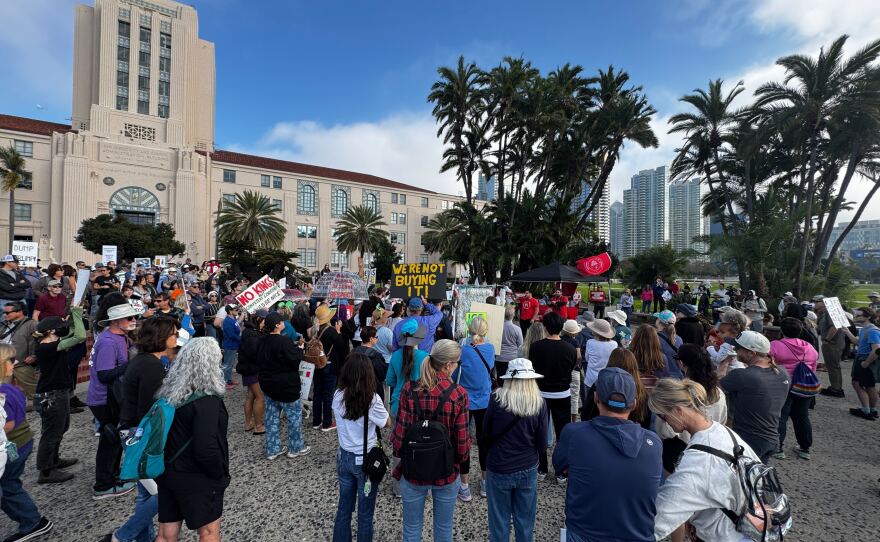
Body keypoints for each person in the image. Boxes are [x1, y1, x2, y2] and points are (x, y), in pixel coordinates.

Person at [554, 368, 662, 542]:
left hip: (584, 532)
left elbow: (561, 467)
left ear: (596, 398)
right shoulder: (654, 443)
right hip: (637, 536)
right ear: (634, 404)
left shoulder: (574, 434)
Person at [651, 378, 763, 542]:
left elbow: (661, 516)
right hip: (748, 529)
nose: (663, 422)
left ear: (677, 410)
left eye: (662, 416)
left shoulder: (698, 462)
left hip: (723, 536)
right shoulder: (723, 431)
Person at [106, 317, 179, 542]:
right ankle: (122, 535)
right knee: (165, 492)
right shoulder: (150, 365)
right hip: (140, 435)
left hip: (132, 431)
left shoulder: (146, 361)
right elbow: (150, 411)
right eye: (173, 333)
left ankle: (143, 538)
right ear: (162, 337)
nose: (177, 337)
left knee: (145, 493)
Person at [390, 340, 470, 542]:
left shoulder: (409, 390)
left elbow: (399, 440)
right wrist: (458, 464)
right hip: (446, 470)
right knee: (443, 528)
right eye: (457, 363)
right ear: (447, 365)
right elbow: (462, 444)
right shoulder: (458, 394)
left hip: (414, 470)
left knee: (411, 528)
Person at [154, 338, 230, 542]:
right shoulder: (206, 399)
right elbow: (205, 446)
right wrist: (218, 473)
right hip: (196, 475)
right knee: (208, 532)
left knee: (165, 533)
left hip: (168, 469)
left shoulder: (170, 392)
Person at [483, 358, 548, 542]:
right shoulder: (539, 403)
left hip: (498, 466)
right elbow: (542, 445)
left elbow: (485, 434)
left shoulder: (496, 399)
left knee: (499, 522)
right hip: (527, 467)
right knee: (525, 522)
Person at [331, 354, 391, 542]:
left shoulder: (337, 394)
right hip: (364, 460)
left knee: (344, 509)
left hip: (343, 456)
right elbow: (386, 423)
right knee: (365, 515)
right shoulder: (371, 399)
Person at [0, 344, 54, 541]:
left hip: (14, 445)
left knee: (8, 485)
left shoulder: (3, 393)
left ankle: (31, 521)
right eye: (10, 360)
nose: (13, 363)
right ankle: (31, 520)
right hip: (21, 443)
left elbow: (9, 424)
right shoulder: (10, 388)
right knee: (9, 483)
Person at [88, 302, 140, 499]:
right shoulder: (108, 342)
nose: (134, 320)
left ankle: (112, 474)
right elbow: (104, 374)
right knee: (110, 440)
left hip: (112, 396)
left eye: (134, 317)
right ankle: (103, 484)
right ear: (116, 321)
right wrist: (131, 364)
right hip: (104, 398)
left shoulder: (119, 337)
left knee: (116, 438)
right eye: (129, 318)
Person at [32, 305, 86, 484]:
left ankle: (53, 460)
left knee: (60, 428)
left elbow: (72, 334)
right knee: (51, 433)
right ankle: (46, 471)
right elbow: (79, 336)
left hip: (57, 393)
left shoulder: (52, 343)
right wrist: (76, 316)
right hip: (51, 395)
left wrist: (73, 315)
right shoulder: (47, 347)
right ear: (51, 331)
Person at [655, 345, 727, 474]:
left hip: (678, 448)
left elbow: (666, 431)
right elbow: (722, 420)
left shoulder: (680, 394)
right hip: (708, 446)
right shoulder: (719, 393)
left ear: (682, 363)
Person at [720, 331, 790, 462]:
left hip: (749, 439)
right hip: (772, 437)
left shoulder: (743, 375)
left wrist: (724, 364)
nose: (734, 349)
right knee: (756, 479)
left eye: (738, 348)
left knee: (740, 480)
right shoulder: (783, 373)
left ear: (751, 353)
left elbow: (715, 388)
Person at [527, 312, 577, 481]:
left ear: (546, 328)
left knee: (539, 429)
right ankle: (561, 470)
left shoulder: (536, 347)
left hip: (541, 392)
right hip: (562, 393)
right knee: (562, 433)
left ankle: (541, 468)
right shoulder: (570, 349)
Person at [257, 312, 310, 459]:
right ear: (276, 325)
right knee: (293, 418)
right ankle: (296, 447)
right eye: (281, 322)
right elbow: (294, 359)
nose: (284, 324)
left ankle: (273, 449)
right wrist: (299, 349)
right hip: (287, 386)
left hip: (268, 386)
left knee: (271, 418)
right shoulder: (283, 341)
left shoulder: (262, 341)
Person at [455, 316, 495, 500]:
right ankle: (485, 482)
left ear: (469, 330)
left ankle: (464, 485)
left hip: (465, 400)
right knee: (484, 440)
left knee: (463, 441)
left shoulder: (463, 350)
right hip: (484, 399)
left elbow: (455, 372)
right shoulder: (490, 349)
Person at [770, 317, 818, 460]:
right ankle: (805, 447)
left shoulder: (775, 345)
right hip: (804, 386)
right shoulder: (809, 347)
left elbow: (769, 364)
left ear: (782, 330)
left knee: (780, 416)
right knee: (802, 417)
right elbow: (813, 367)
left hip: (783, 384)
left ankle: (778, 447)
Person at [841, 307, 880, 420]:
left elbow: (876, 349)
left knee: (860, 384)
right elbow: (858, 342)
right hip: (862, 359)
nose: (856, 317)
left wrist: (866, 363)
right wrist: (847, 332)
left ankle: (867, 410)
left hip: (866, 360)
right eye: (856, 315)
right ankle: (871, 410)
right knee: (868, 386)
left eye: (859, 316)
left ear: (868, 317)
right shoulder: (864, 329)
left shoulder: (872, 330)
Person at [314, 305, 349, 431]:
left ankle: (316, 421)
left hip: (317, 364)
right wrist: (338, 331)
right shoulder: (331, 330)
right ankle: (327, 422)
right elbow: (340, 346)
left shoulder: (315, 329)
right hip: (329, 365)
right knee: (328, 394)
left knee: (317, 393)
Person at [2, 301, 38, 410]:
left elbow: (38, 341)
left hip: (22, 362)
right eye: (4, 313)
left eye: (8, 313)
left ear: (20, 312)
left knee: (31, 387)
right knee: (2, 389)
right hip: (4, 362)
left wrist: (34, 355)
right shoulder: (3, 324)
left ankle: (34, 404)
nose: (5, 315)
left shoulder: (31, 324)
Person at [237, 310, 266, 434]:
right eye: (265, 320)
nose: (266, 322)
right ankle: (258, 426)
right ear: (259, 319)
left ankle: (248, 423)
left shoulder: (249, 331)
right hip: (252, 369)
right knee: (260, 397)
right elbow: (254, 353)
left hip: (247, 368)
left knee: (251, 396)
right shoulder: (251, 333)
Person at [353, 326, 388, 400]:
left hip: (355, 389)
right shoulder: (376, 355)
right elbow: (381, 375)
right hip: (372, 390)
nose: (377, 339)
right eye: (376, 337)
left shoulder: (353, 352)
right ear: (371, 339)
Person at [629, 325, 668, 392]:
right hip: (653, 397)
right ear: (655, 339)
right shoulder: (662, 358)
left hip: (634, 394)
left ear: (636, 338)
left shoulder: (629, 355)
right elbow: (664, 380)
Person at [654, 310, 684, 378]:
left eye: (657, 318)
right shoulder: (679, 339)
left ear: (659, 322)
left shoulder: (655, 338)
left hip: (663, 377)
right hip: (678, 377)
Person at [0, 256, 29, 321]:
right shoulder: (0, 273)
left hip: (21, 300)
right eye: (15, 262)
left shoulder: (17, 272)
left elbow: (28, 284)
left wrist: (15, 284)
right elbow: (7, 287)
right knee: (5, 323)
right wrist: (21, 285)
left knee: (22, 322)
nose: (17, 264)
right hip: (6, 301)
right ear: (7, 262)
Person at [498, 305, 523, 378]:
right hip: (513, 358)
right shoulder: (517, 329)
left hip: (500, 357)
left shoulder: (498, 327)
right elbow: (520, 345)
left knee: (500, 381)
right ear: (513, 315)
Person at [220, 304, 241, 389]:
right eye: (235, 309)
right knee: (227, 365)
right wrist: (241, 338)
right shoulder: (227, 321)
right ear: (230, 311)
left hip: (233, 344)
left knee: (230, 364)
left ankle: (228, 380)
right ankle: (224, 383)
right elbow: (231, 335)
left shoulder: (233, 318)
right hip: (229, 345)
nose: (237, 310)